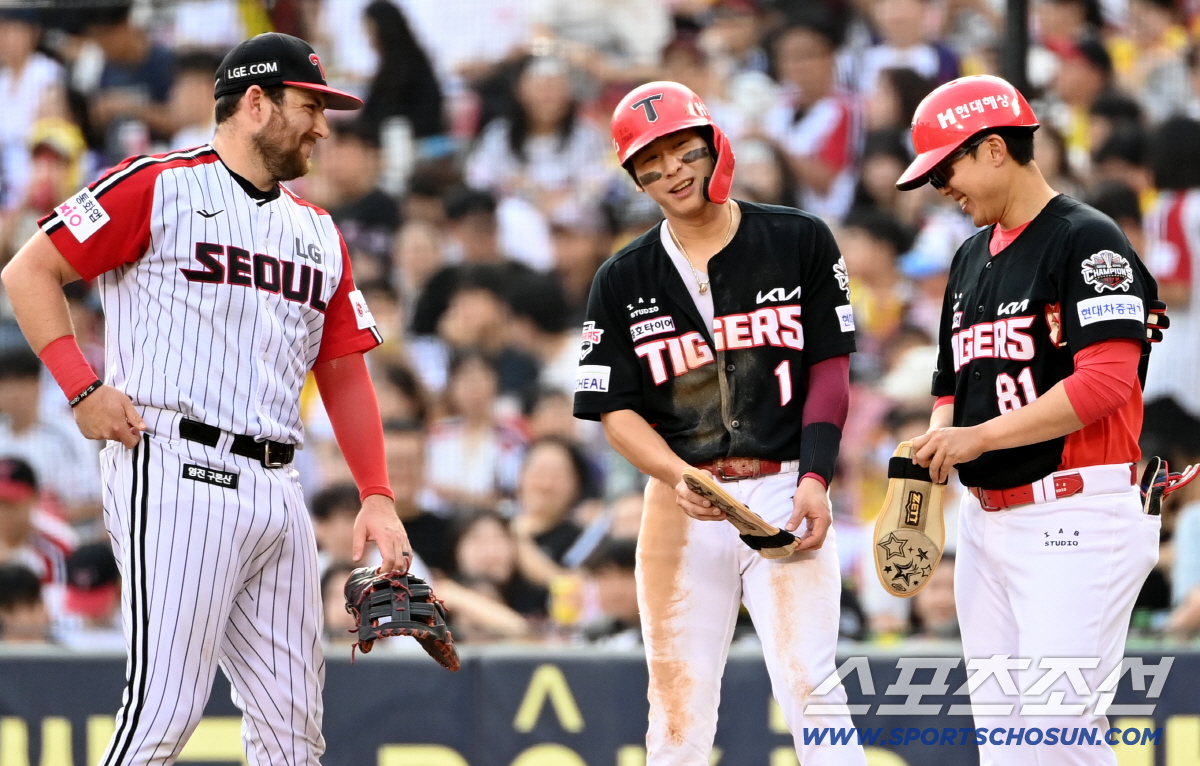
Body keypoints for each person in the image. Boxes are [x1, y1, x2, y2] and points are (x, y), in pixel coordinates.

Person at [1, 32, 411, 765]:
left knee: (293, 726)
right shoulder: (158, 182)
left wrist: (376, 491)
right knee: (165, 710)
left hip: (279, 485)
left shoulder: (318, 231)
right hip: (176, 464)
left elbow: (344, 368)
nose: (323, 125)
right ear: (255, 103)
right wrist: (81, 386)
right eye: (310, 106)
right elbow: (29, 271)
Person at [575, 81, 865, 765]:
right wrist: (676, 475)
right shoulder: (623, 276)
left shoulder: (797, 239)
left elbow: (830, 369)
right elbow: (613, 411)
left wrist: (817, 476)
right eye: (652, 162)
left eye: (683, 150)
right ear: (635, 177)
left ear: (713, 143)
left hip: (786, 481)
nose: (673, 171)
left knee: (809, 683)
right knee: (676, 704)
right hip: (682, 499)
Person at [895, 74, 1162, 766]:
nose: (939, 189)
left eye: (943, 168)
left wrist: (976, 437)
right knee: (1012, 746)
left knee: (1055, 737)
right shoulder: (968, 256)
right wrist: (936, 448)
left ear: (991, 149)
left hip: (1074, 515)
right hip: (989, 522)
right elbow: (951, 381)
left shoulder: (1087, 240)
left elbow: (1105, 381)